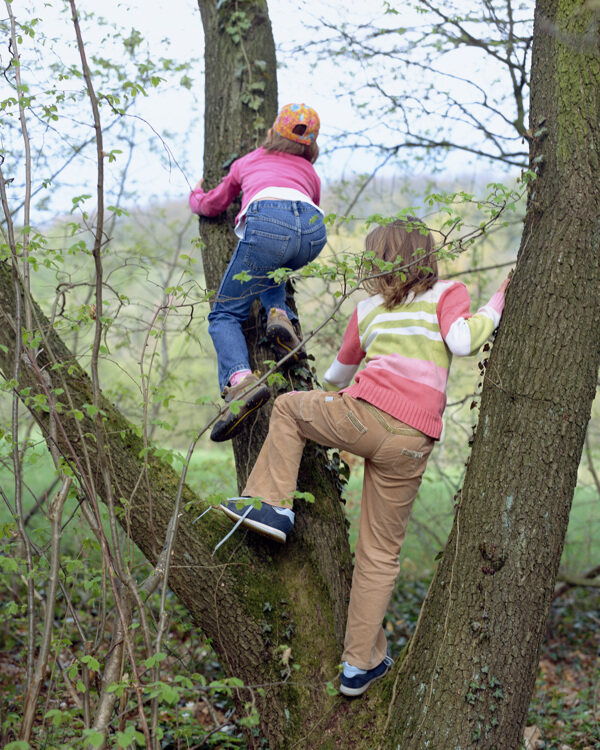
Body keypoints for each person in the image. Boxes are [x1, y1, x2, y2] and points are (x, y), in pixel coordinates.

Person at [218, 218, 510, 696]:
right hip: (413, 441)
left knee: (290, 408)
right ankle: (360, 665)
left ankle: (272, 503)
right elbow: (462, 341)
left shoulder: (369, 309)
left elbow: (335, 375)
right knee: (380, 554)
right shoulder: (449, 292)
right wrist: (495, 303)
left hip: (365, 418)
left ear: (377, 263)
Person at [189, 103, 327, 442]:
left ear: (272, 132)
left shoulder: (248, 161)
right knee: (274, 267)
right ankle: (279, 315)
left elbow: (213, 205)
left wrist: (196, 194)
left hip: (267, 224)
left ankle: (241, 382)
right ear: (310, 146)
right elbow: (311, 202)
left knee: (223, 315)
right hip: (312, 234)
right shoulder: (310, 173)